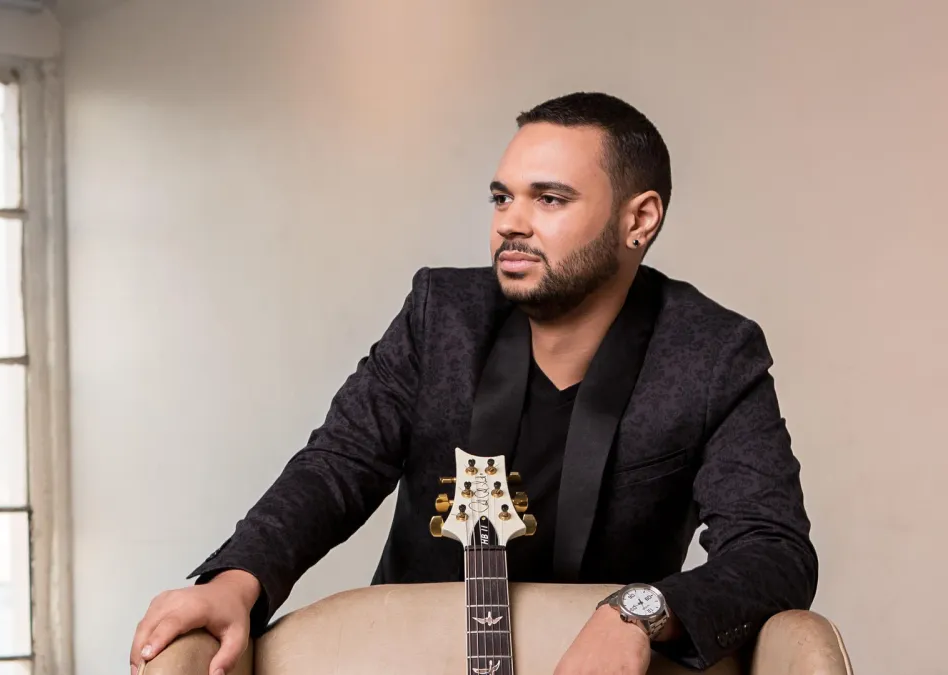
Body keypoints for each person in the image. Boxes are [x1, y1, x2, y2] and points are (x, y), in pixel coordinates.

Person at [128, 92, 817, 675]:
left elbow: (773, 547)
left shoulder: (712, 353)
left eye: (550, 198)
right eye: (502, 197)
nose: (510, 222)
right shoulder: (441, 316)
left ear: (639, 219)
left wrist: (638, 613)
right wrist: (237, 580)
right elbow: (338, 464)